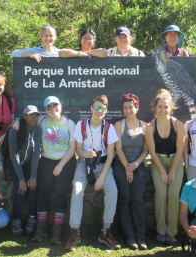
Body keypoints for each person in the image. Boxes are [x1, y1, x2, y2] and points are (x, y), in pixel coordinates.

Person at [65, 95, 121, 252]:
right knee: (77, 190)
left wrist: (102, 177)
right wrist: (85, 154)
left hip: (103, 165)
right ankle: (74, 231)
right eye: (96, 107)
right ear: (91, 108)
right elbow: (77, 150)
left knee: (113, 191)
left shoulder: (109, 128)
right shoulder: (81, 125)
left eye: (102, 108)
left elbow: (111, 155)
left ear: (106, 110)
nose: (99, 111)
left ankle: (106, 231)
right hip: (84, 164)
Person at [32, 96, 76, 244]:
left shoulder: (70, 123)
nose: (52, 109)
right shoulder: (42, 121)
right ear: (45, 110)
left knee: (60, 193)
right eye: (48, 107)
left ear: (61, 106)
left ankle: (57, 229)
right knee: (42, 192)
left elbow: (72, 148)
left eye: (55, 105)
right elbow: (28, 121)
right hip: (45, 161)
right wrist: (16, 121)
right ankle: (41, 226)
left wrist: (60, 165)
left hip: (65, 162)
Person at [144, 89, 185, 246]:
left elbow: (180, 150)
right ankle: (161, 232)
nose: (163, 110)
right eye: (160, 106)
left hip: (175, 162)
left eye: (166, 107)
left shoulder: (178, 125)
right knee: (161, 194)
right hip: (158, 162)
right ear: (155, 107)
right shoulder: (150, 127)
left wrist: (173, 171)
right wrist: (162, 172)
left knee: (174, 195)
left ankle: (172, 232)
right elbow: (152, 152)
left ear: (171, 107)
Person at [113, 94, 148, 250]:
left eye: (131, 107)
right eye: (125, 108)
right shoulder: (119, 125)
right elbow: (118, 148)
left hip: (138, 165)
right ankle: (129, 236)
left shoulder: (145, 126)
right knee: (125, 197)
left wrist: (134, 165)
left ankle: (141, 236)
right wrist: (127, 166)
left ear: (137, 107)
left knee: (138, 199)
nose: (128, 110)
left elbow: (146, 150)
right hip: (121, 163)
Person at [7, 105, 42, 236]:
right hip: (15, 164)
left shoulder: (38, 129)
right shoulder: (15, 130)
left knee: (33, 188)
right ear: (25, 116)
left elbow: (35, 153)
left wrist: (33, 176)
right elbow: (13, 155)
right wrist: (21, 179)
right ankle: (15, 220)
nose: (34, 118)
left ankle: (32, 219)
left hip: (28, 164)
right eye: (31, 115)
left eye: (36, 115)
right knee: (20, 190)